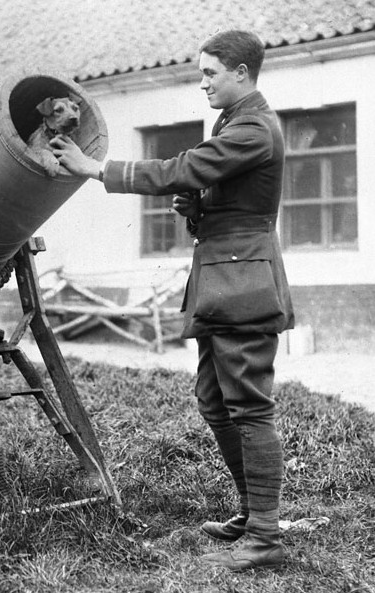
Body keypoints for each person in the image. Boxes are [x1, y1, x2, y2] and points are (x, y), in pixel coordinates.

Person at [51, 29, 293, 570]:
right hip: (225, 280)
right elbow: (227, 196)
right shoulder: (234, 121)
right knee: (215, 401)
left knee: (249, 407)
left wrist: (98, 169)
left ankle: (265, 537)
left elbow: (183, 166)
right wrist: (198, 208)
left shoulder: (253, 126)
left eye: (210, 73)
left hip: (243, 284)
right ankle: (253, 513)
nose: (202, 82)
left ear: (241, 73)